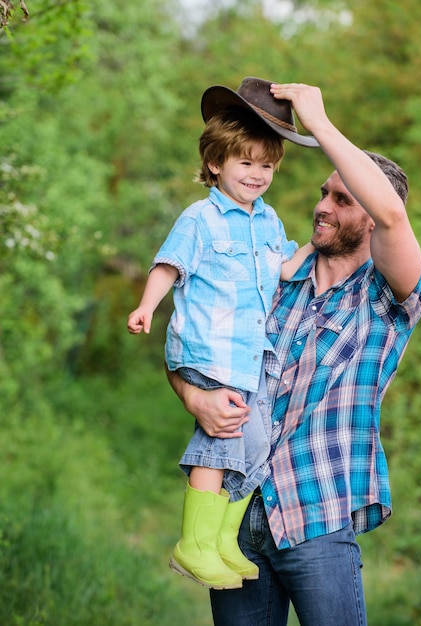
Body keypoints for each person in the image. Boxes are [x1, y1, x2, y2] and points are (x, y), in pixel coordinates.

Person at [167, 82, 421, 626]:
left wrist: (320, 125)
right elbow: (196, 345)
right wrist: (195, 397)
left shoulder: (386, 296)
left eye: (342, 198)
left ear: (372, 216)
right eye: (323, 192)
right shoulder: (273, 273)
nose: (321, 206)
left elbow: (393, 217)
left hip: (316, 517)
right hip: (237, 523)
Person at [127, 78, 318, 590]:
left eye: (267, 166)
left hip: (246, 357)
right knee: (224, 433)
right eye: (246, 163)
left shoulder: (268, 219)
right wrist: (147, 305)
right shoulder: (201, 218)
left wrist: (313, 250)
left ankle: (219, 541)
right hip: (206, 350)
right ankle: (193, 544)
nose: (257, 175)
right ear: (216, 163)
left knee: (254, 445)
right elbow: (168, 265)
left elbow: (281, 269)